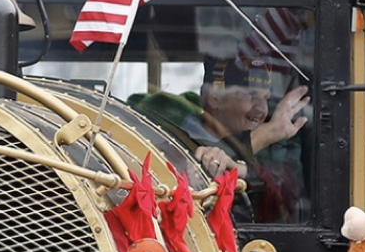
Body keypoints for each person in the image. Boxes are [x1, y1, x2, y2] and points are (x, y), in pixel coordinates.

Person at [131, 57, 310, 222]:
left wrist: (243, 168)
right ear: (216, 97)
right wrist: (263, 136)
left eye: (265, 98)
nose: (262, 108)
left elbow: (293, 198)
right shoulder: (169, 144)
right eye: (251, 96)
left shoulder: (275, 146)